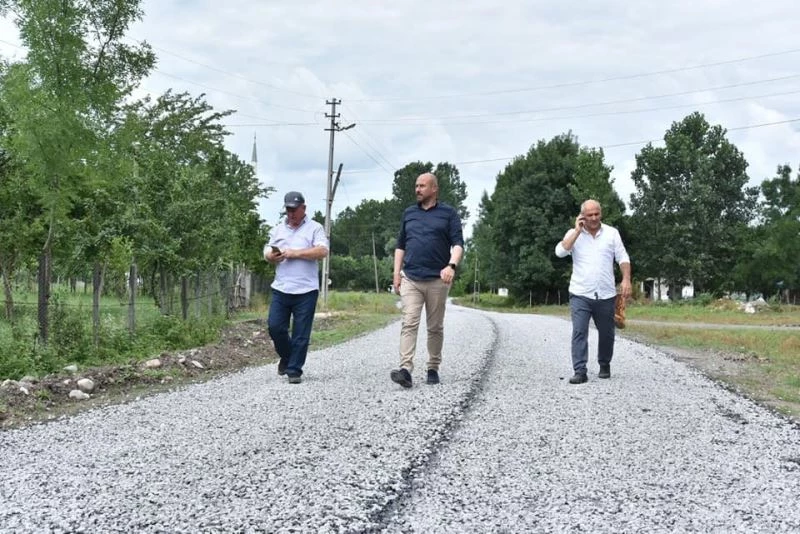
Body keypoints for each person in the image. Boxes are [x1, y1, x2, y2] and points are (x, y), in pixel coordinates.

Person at [390, 172, 464, 388]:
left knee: (434, 327)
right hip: (411, 278)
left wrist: (451, 265)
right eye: (416, 186)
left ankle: (433, 366)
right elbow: (400, 245)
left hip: (437, 280)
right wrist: (396, 273)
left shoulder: (448, 214)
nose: (417, 190)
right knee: (409, 322)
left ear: (434, 189)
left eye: (422, 186)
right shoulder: (409, 213)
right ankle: (405, 369)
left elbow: (458, 244)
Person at [554, 199, 631, 384]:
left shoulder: (612, 233)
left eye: (597, 214)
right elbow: (560, 252)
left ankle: (604, 364)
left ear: (601, 213)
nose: (594, 218)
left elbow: (623, 257)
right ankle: (580, 370)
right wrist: (577, 231)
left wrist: (626, 279)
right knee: (579, 331)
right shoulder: (573, 234)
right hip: (580, 293)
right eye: (590, 215)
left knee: (607, 333)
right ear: (582, 216)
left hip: (605, 294)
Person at [263, 191, 329, 384]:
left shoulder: (315, 228)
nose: (291, 213)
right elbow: (267, 250)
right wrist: (270, 256)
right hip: (281, 287)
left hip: (306, 290)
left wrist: (294, 253)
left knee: (301, 333)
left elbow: (322, 250)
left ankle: (294, 370)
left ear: (303, 208)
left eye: (294, 209)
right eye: (288, 210)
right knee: (275, 327)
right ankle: (287, 356)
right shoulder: (277, 229)